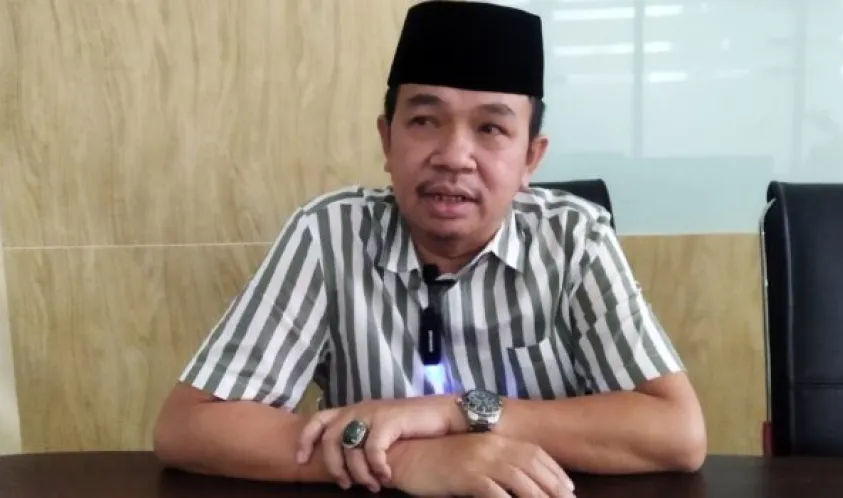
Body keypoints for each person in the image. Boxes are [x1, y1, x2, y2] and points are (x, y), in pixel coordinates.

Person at [152, 2, 707, 497]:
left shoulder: (575, 239)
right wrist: (407, 458)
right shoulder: (329, 235)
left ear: (530, 159)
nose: (454, 156)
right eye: (424, 120)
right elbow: (189, 427)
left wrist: (454, 415)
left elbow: (677, 433)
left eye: (490, 129)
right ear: (387, 139)